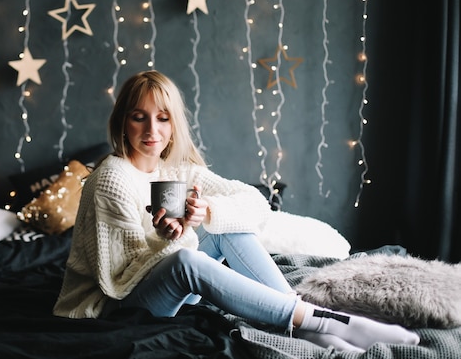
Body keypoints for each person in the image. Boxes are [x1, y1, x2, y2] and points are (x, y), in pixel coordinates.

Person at [53, 70, 420, 353]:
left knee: (227, 228)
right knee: (188, 264)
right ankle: (325, 323)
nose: (152, 130)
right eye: (139, 117)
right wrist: (178, 238)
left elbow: (255, 205)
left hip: (160, 277)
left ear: (174, 123)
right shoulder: (112, 178)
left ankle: (303, 322)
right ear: (122, 121)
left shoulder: (176, 171)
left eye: (163, 118)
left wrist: (206, 213)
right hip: (115, 304)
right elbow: (121, 279)